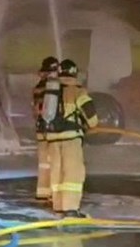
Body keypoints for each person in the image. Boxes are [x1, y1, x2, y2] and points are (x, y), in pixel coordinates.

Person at [42, 59, 99, 217]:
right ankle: (71, 209)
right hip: (70, 139)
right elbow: (92, 119)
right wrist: (91, 126)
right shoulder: (78, 92)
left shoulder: (51, 91)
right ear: (75, 73)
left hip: (52, 139)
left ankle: (58, 206)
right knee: (72, 174)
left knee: (57, 173)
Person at [33, 55, 60, 204]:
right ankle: (55, 195)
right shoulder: (55, 87)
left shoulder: (38, 86)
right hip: (54, 131)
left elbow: (36, 109)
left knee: (44, 164)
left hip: (41, 130)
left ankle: (42, 193)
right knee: (56, 162)